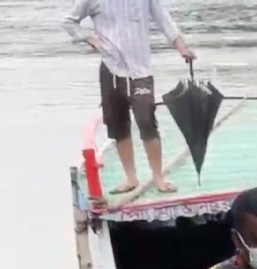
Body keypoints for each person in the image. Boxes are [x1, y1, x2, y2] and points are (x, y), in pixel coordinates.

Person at [63, 0, 196, 195]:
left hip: (140, 69)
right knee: (118, 124)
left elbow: (164, 21)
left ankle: (158, 177)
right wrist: (90, 38)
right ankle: (131, 178)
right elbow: (69, 21)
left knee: (146, 120)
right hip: (111, 67)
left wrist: (182, 48)